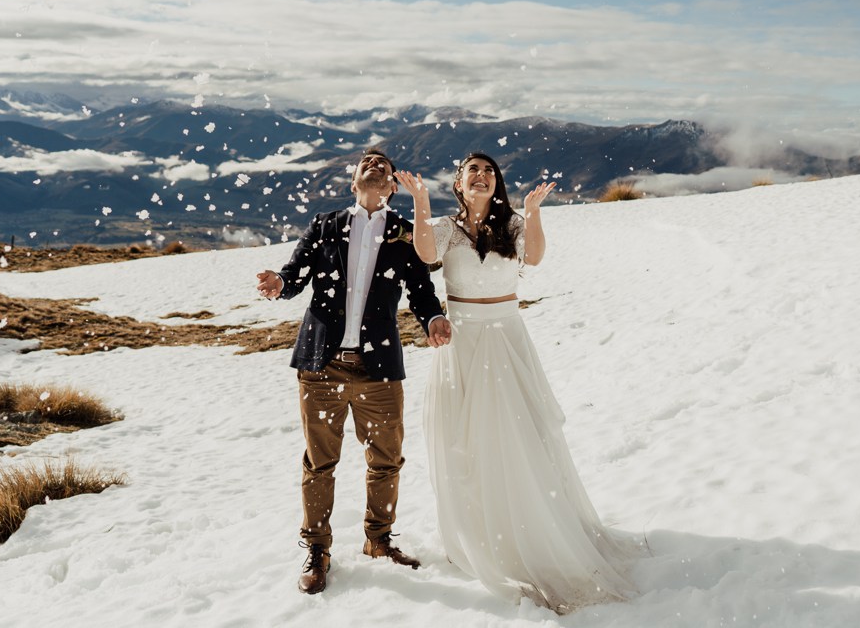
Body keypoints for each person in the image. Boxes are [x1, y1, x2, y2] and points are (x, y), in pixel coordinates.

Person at [394, 152, 640, 614]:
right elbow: (425, 253)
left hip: (506, 338)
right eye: (474, 171)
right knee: (464, 440)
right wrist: (421, 202)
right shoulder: (447, 227)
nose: (483, 177)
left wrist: (534, 213)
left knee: (518, 435)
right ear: (460, 184)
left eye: (489, 172)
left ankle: (528, 525)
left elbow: (538, 256)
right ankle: (478, 531)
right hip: (463, 340)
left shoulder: (511, 225)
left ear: (496, 183)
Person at [257, 147, 452, 596]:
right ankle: (317, 550)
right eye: (367, 162)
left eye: (383, 165)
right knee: (319, 463)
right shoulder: (326, 225)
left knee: (386, 459)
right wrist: (279, 283)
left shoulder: (404, 235)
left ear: (392, 187)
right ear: (354, 182)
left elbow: (421, 292)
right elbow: (296, 274)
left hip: (378, 367)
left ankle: (378, 541)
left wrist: (433, 319)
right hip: (321, 364)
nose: (375, 165)